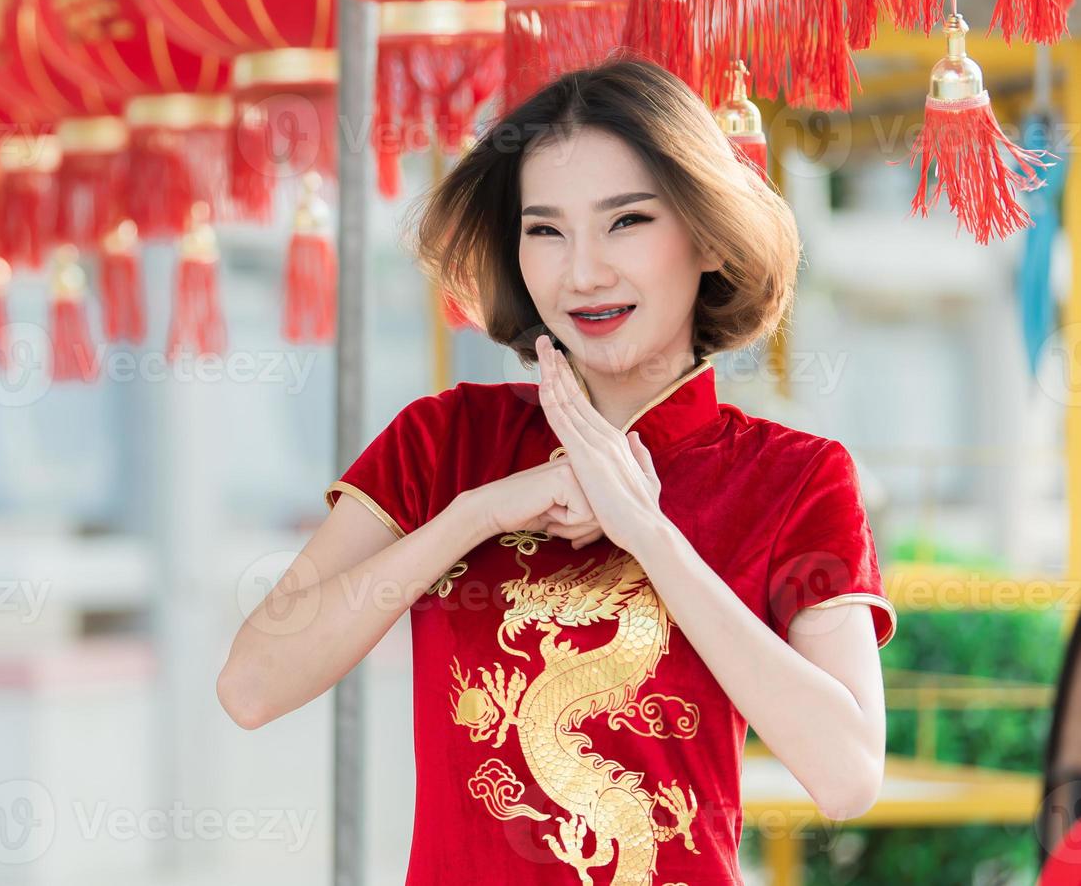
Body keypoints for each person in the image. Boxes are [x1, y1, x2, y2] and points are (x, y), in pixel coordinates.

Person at [216, 56, 895, 884]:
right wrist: (475, 514)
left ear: (708, 236)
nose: (582, 272)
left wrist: (647, 531)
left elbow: (849, 774)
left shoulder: (792, 477)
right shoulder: (446, 441)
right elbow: (251, 685)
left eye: (627, 222)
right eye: (545, 230)